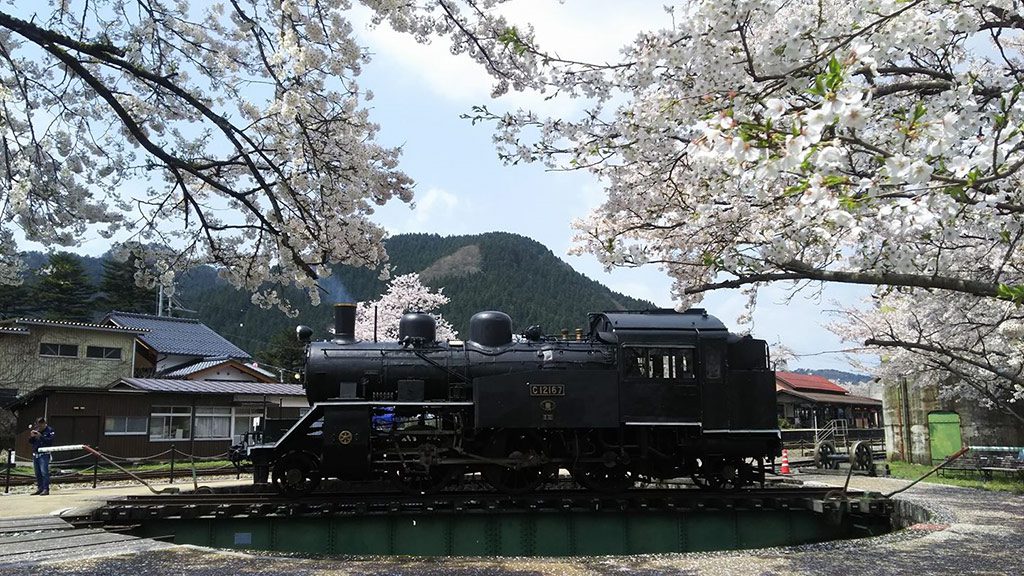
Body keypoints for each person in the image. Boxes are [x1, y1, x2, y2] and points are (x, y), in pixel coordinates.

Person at [29, 417, 55, 495]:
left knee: (44, 472)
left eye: (40, 425)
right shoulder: (36, 430)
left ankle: (46, 489)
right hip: (36, 453)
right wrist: (32, 436)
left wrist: (41, 436)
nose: (39, 427)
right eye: (38, 426)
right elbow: (31, 442)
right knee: (37, 473)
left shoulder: (50, 430)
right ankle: (40, 488)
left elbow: (50, 441)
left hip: (44, 454)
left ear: (44, 423)